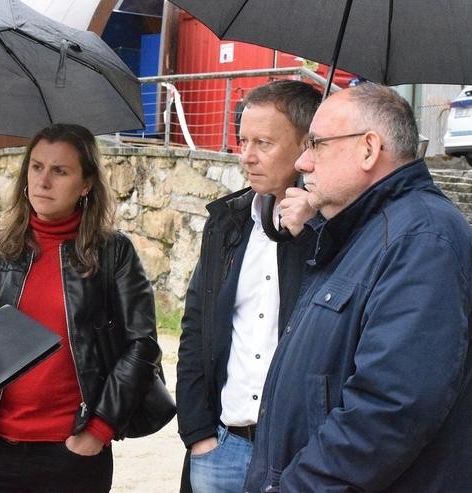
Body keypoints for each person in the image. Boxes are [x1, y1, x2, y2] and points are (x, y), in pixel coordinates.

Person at [243, 83, 472, 492]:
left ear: (368, 149)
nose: (303, 161)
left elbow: (388, 410)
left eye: (317, 144)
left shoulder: (421, 239)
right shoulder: (361, 230)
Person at [0, 123, 161, 493]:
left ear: (86, 185)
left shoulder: (112, 253)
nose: (43, 181)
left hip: (71, 453)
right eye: (36, 167)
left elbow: (141, 344)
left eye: (60, 171)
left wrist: (98, 431)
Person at [176, 80, 321, 493]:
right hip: (222, 445)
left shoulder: (331, 231)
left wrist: (314, 227)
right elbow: (195, 327)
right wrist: (198, 433)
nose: (247, 157)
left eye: (264, 143)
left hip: (296, 456)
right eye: (243, 140)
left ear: (306, 147)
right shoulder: (227, 224)